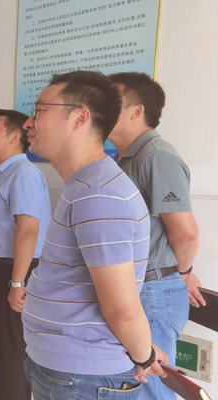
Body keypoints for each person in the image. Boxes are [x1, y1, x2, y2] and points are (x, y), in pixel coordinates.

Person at [21, 70, 168, 399]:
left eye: (39, 110)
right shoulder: (86, 185)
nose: (28, 123)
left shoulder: (100, 194)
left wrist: (143, 355)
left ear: (80, 118)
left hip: (83, 377)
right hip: (67, 368)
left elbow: (122, 308)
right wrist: (142, 348)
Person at [108, 72, 204, 400]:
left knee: (152, 389)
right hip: (138, 288)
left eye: (111, 101)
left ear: (137, 111)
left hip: (152, 291)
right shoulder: (125, 158)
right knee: (133, 386)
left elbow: (185, 233)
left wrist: (184, 273)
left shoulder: (156, 156)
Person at [0, 109, 51, 400]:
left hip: (13, 271)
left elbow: (28, 230)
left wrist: (17, 283)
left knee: (8, 351)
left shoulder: (23, 173)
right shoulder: (3, 173)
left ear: (15, 136)